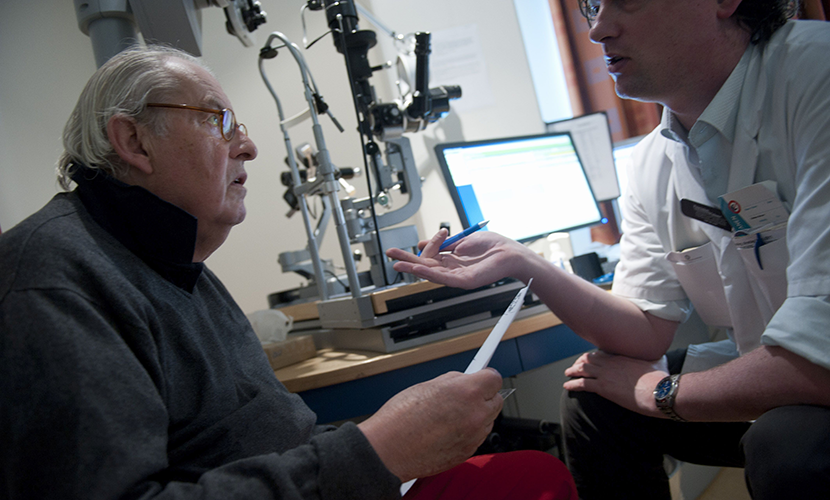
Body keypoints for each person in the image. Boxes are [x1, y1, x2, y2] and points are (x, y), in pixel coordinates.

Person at [0, 45, 578, 499]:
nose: (247, 146)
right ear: (132, 141)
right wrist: (376, 449)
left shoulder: (174, 258)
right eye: (219, 120)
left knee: (533, 474)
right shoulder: (54, 279)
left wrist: (386, 442)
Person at [388, 1, 830, 498]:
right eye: (594, 6)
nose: (598, 29)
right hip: (785, 377)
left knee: (789, 444)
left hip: (813, 386)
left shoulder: (816, 75)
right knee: (594, 398)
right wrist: (520, 261)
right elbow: (644, 331)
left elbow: (818, 360)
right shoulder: (653, 160)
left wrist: (659, 392)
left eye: (626, 1)